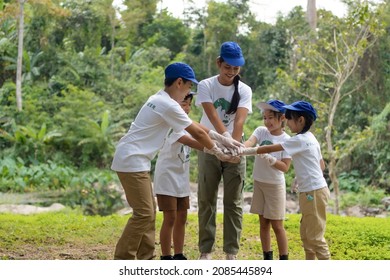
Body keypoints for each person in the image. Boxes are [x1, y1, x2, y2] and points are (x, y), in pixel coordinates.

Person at [111, 62, 243, 260]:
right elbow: (196, 132)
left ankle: (145, 259)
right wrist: (217, 151)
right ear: (179, 82)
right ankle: (123, 261)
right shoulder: (167, 104)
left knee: (149, 213)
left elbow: (195, 125)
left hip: (136, 160)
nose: (188, 92)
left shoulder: (159, 98)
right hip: (132, 161)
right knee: (144, 214)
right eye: (189, 87)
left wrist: (222, 138)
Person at [241, 101, 331, 260]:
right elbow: (321, 165)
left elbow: (270, 149)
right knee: (306, 235)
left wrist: (243, 151)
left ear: (301, 120)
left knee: (315, 238)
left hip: (313, 192)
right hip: (311, 191)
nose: (287, 122)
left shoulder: (299, 140)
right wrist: (301, 176)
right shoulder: (311, 138)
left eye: (289, 118)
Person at [196, 41, 253, 260]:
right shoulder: (205, 85)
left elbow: (239, 121)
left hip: (236, 147)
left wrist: (235, 149)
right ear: (219, 63)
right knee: (206, 198)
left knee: (233, 202)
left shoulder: (245, 89)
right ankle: (205, 250)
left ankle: (231, 252)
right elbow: (211, 117)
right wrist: (225, 141)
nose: (231, 72)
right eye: (227, 67)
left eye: (235, 68)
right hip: (210, 146)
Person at [153, 93, 202, 260]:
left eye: (188, 105)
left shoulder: (186, 126)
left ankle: (179, 254)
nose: (186, 108)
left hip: (181, 179)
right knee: (170, 217)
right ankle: (166, 257)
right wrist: (218, 149)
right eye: (183, 104)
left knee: (182, 216)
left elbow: (203, 134)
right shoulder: (172, 127)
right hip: (167, 178)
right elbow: (198, 143)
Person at [244, 100, 291, 260]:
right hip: (259, 182)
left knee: (277, 225)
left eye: (271, 117)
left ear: (282, 118)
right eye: (265, 118)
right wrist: (239, 147)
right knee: (263, 223)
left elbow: (285, 167)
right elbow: (249, 143)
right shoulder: (261, 131)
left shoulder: (287, 140)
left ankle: (284, 259)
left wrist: (270, 159)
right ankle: (267, 258)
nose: (267, 121)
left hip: (275, 186)